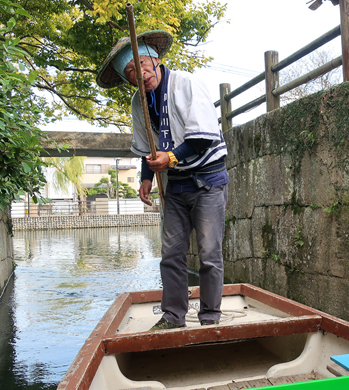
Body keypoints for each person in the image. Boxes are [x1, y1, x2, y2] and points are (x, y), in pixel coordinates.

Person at [96, 30, 228, 329]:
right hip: (176, 184)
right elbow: (146, 147)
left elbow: (203, 138)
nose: (140, 73)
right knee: (170, 254)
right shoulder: (137, 103)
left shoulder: (187, 84)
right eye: (131, 70)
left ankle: (210, 316)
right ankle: (173, 316)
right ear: (126, 78)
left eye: (144, 64)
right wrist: (145, 178)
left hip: (208, 179)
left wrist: (170, 158)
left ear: (156, 60)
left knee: (208, 253)